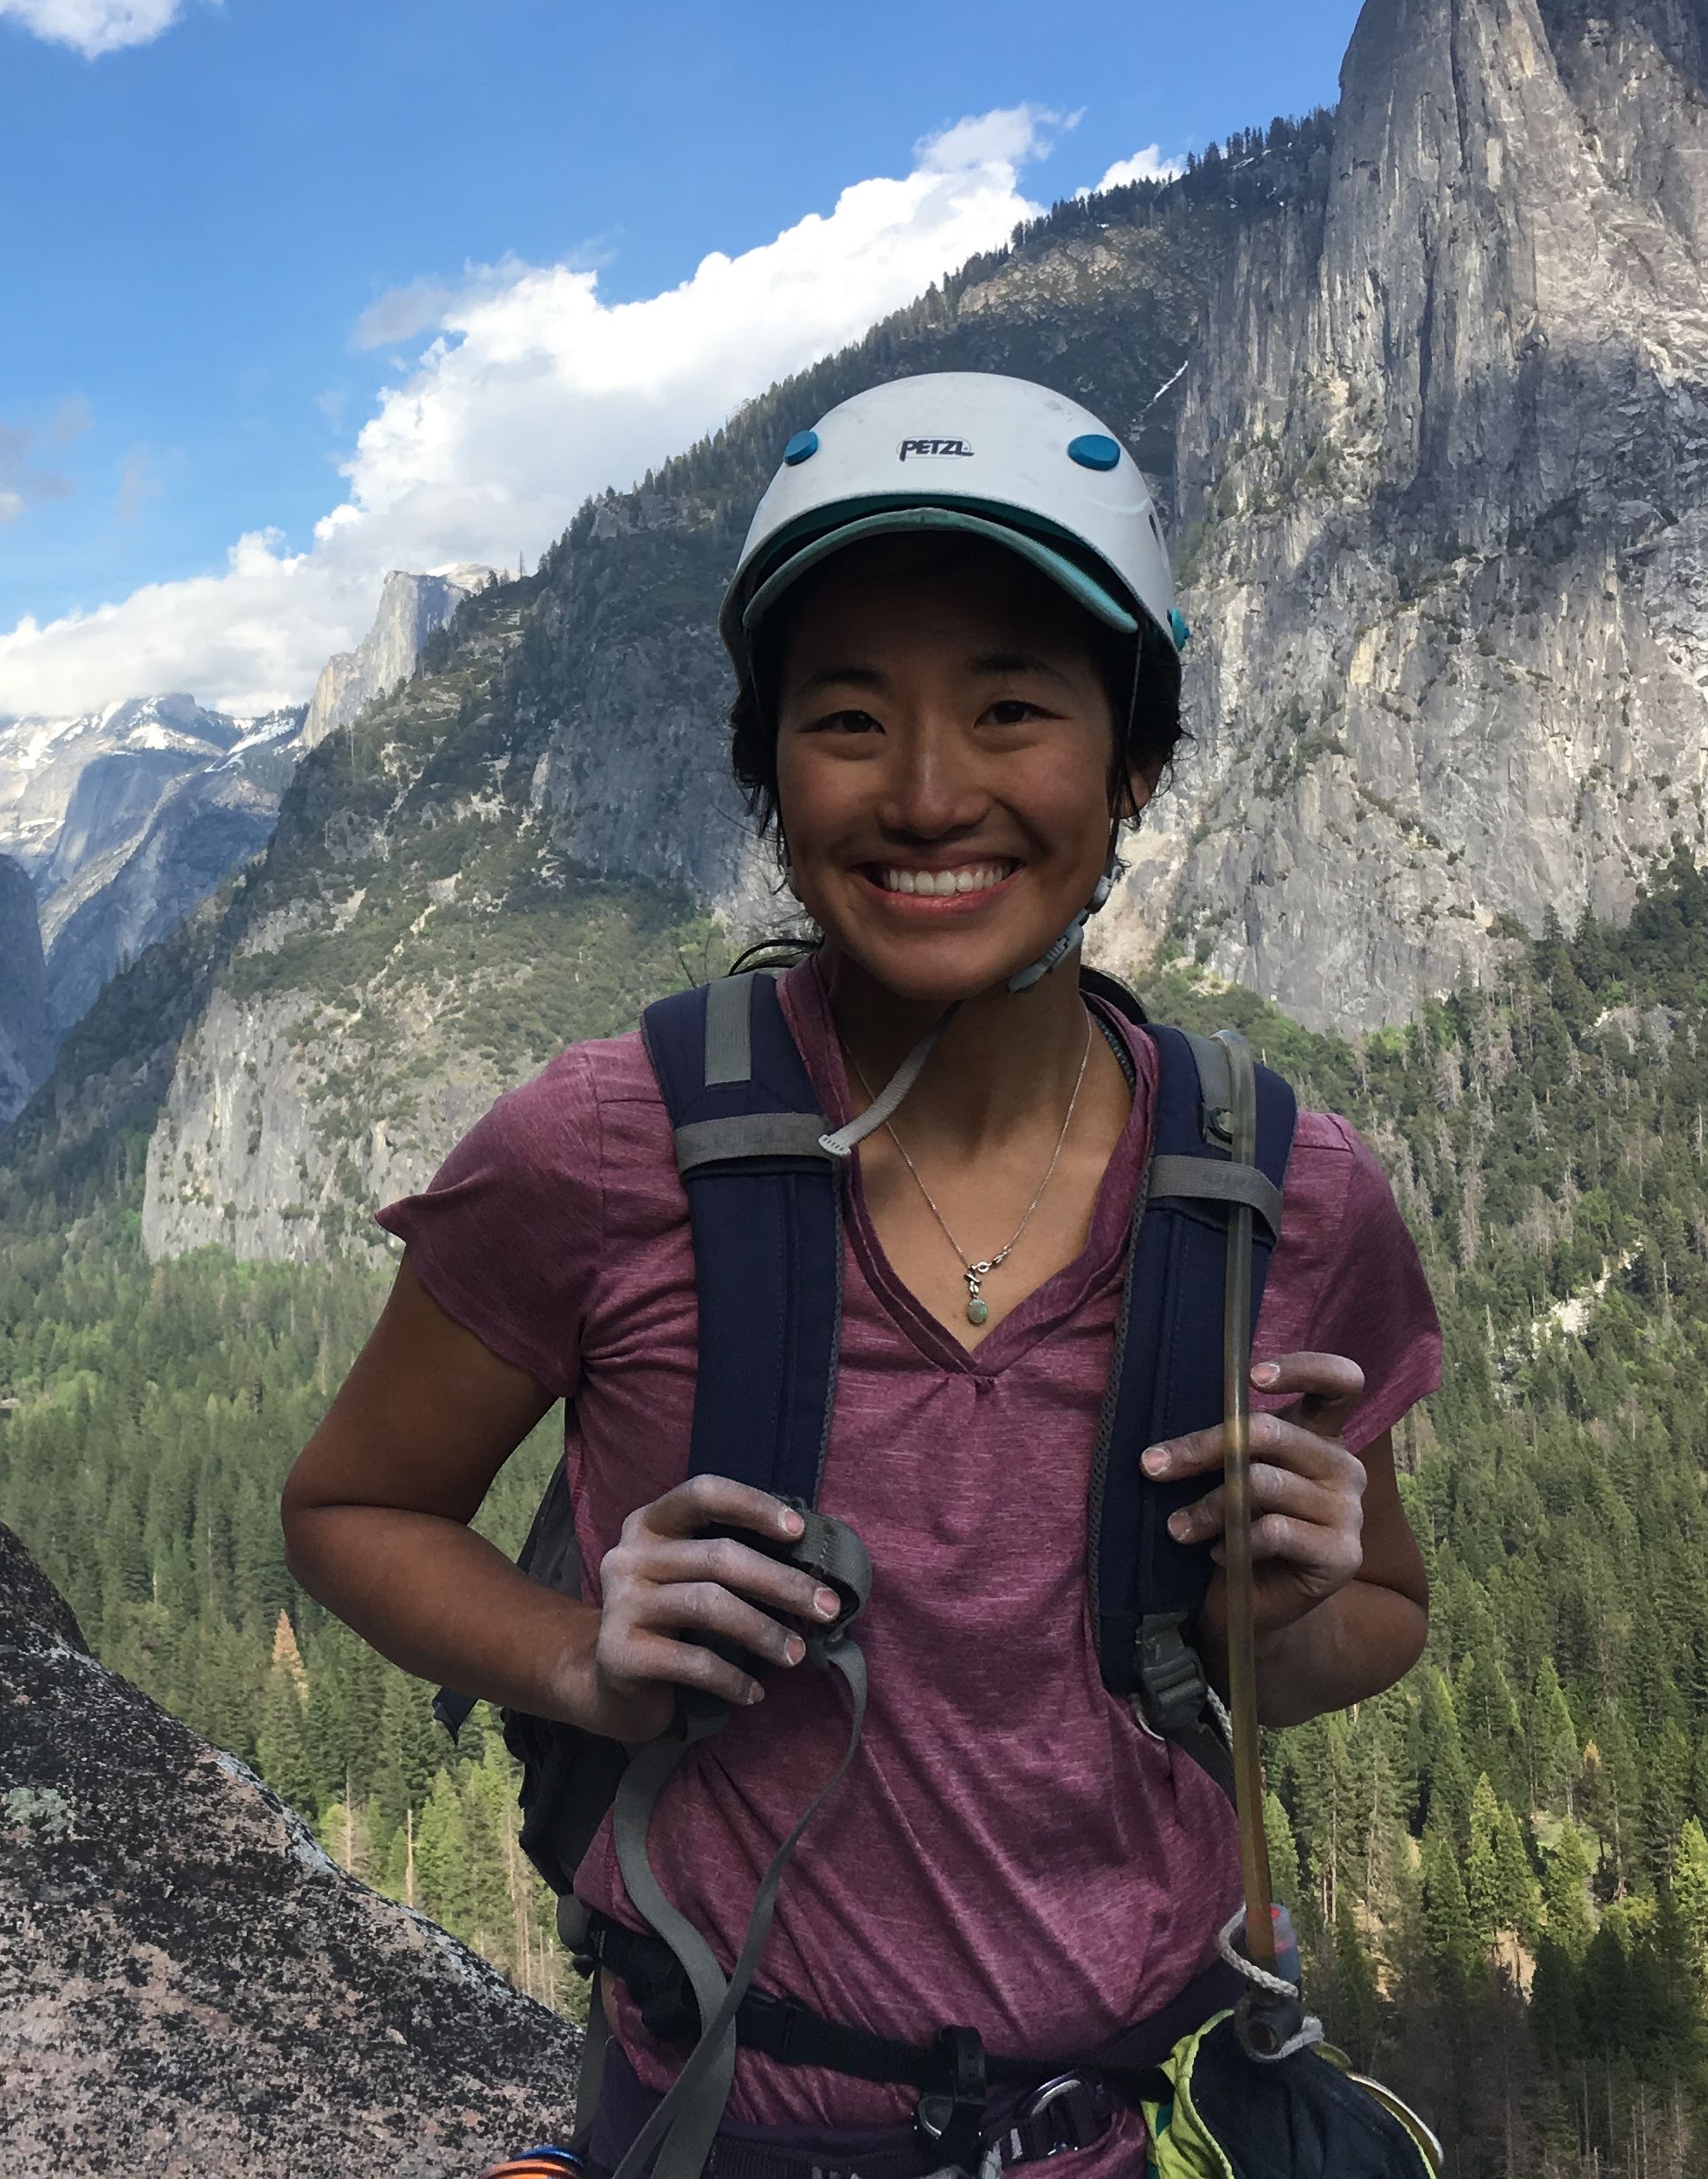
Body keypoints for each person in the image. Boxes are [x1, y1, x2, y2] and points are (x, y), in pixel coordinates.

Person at [281, 372, 1445, 2179]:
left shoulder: (1290, 1193)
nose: (926, 794)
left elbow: (1378, 1621)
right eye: (846, 721)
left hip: (1151, 2128)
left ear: (1133, 761)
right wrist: (579, 1657)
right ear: (767, 776)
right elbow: (354, 1507)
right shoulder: (597, 1149)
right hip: (731, 2121)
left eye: (1011, 710)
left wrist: (1281, 1608)